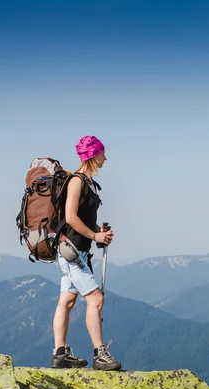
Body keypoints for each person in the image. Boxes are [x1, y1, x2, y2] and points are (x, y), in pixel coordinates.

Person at [50, 135, 121, 371]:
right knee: (96, 299)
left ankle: (60, 354)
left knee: (67, 300)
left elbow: (80, 217)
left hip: (77, 251)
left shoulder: (88, 182)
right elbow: (70, 217)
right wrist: (95, 236)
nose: (105, 157)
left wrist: (98, 231)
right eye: (102, 153)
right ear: (93, 155)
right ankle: (100, 354)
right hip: (71, 252)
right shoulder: (77, 181)